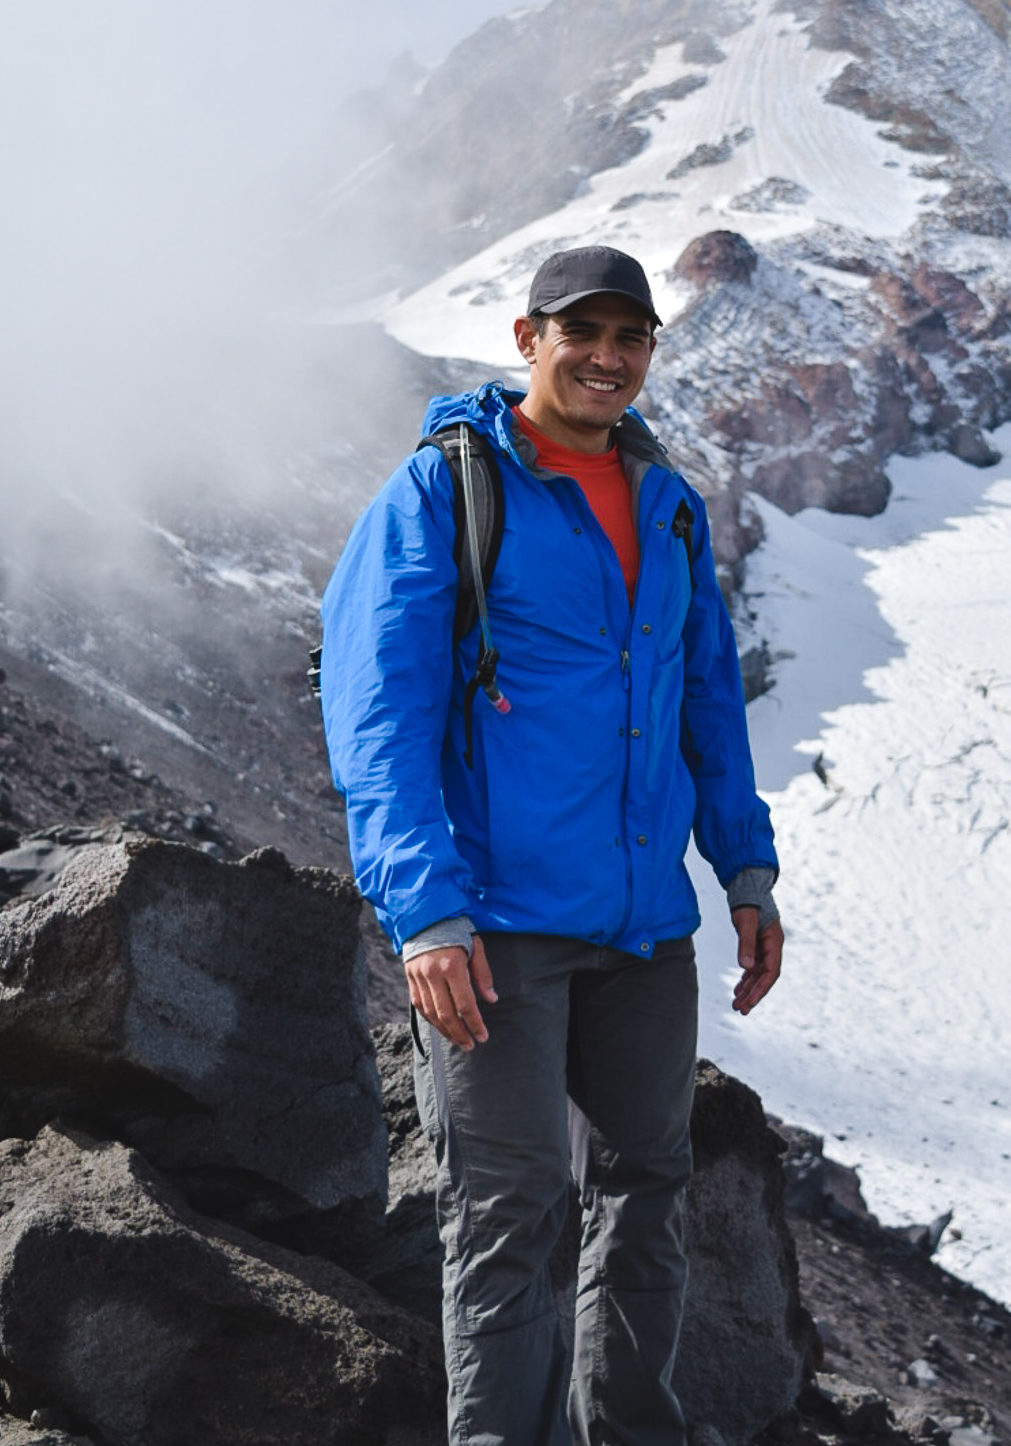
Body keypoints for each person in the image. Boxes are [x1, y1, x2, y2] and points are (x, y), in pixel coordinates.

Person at [319, 244, 783, 1446]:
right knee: (508, 1211)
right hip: (495, 925)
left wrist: (744, 867)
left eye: (631, 337)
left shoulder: (669, 505)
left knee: (645, 1202)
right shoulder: (444, 489)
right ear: (527, 338)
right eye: (583, 331)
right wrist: (423, 911)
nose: (608, 356)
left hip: (640, 926)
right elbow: (381, 713)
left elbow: (707, 704)